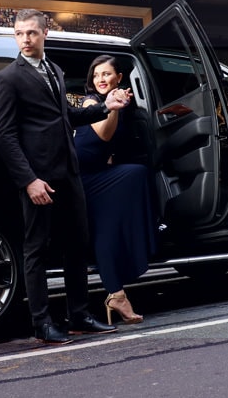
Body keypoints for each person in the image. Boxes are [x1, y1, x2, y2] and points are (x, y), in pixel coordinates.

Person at [0, 8, 131, 345]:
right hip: (38, 177)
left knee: (77, 245)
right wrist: (29, 180)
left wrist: (106, 108)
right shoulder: (8, 78)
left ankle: (79, 314)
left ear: (45, 33)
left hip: (68, 171)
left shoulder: (53, 70)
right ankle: (42, 323)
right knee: (36, 250)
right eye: (19, 33)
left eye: (31, 32)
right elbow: (3, 135)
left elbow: (65, 116)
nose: (25, 39)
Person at [73, 55, 156, 325]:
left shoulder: (119, 105)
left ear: (119, 77)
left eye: (107, 74)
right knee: (135, 174)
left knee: (106, 231)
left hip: (98, 174)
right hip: (80, 178)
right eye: (96, 74)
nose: (101, 79)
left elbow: (109, 149)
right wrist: (113, 106)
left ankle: (117, 295)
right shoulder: (91, 102)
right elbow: (104, 134)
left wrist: (120, 106)